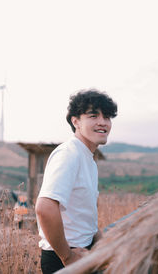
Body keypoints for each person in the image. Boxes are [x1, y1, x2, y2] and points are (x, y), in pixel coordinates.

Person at [35, 89, 117, 273]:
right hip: (63, 256)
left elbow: (81, 210)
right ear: (76, 121)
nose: (102, 122)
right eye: (93, 115)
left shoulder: (87, 157)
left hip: (83, 251)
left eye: (107, 117)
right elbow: (45, 208)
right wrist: (68, 257)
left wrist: (97, 236)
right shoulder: (69, 154)